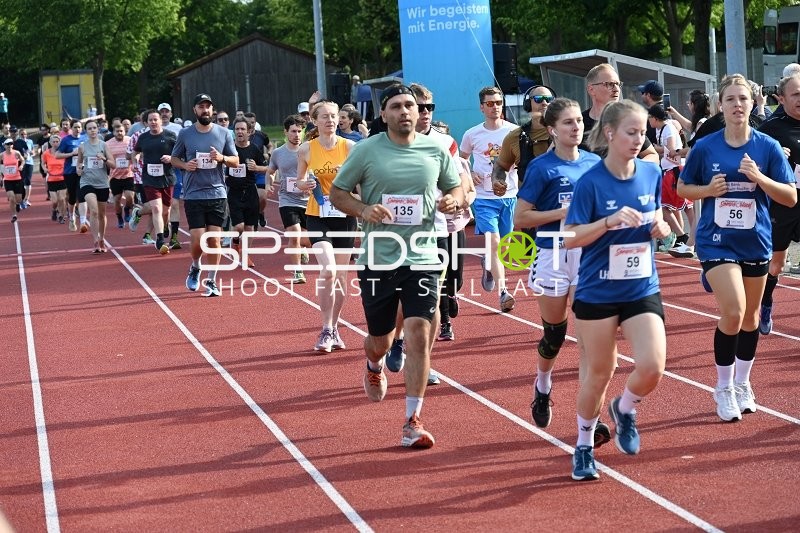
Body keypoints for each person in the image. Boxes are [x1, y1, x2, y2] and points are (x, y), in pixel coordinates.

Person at [329, 83, 464, 448]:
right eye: (397, 106)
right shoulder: (366, 150)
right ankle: (373, 365)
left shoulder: (435, 150)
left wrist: (453, 200)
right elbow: (337, 193)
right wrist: (363, 209)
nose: (406, 111)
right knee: (381, 340)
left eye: (410, 105)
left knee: (419, 331)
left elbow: (457, 188)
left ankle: (412, 420)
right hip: (379, 258)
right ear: (384, 114)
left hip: (422, 256)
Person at [677, 74, 796, 422]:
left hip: (755, 239)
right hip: (716, 240)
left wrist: (759, 178)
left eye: (743, 99)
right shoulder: (706, 147)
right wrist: (707, 191)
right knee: (733, 311)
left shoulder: (767, 146)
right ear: (721, 105)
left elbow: (790, 197)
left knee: (751, 317)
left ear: (753, 103)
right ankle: (723, 387)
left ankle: (743, 383)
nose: (737, 105)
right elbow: (683, 188)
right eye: (730, 99)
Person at [564, 100, 671, 481]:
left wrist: (661, 227)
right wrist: (607, 222)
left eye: (642, 132)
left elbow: (657, 214)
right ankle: (583, 445)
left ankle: (624, 408)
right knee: (599, 372)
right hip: (598, 290)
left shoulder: (651, 172)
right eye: (631, 132)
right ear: (610, 133)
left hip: (641, 285)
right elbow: (570, 237)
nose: (638, 139)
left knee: (653, 366)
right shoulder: (591, 182)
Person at [514, 97, 603, 429]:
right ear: (552, 129)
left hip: (587, 254)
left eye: (578, 120)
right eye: (568, 122)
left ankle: (590, 418)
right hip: (552, 253)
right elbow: (521, 218)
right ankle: (542, 385)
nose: (576, 127)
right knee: (555, 335)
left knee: (589, 338)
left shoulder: (595, 163)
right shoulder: (541, 168)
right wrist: (562, 212)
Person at [295, 100, 357, 352]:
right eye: (325, 116)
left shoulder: (349, 147)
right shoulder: (306, 149)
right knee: (328, 270)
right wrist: (305, 185)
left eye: (334, 116)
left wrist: (347, 176)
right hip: (317, 214)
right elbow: (299, 181)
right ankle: (325, 328)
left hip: (345, 216)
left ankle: (335, 327)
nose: (331, 120)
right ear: (314, 120)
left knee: (341, 275)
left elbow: (360, 181)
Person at [171, 93, 239, 297]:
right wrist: (185, 165)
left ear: (212, 109)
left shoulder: (224, 133)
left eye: (208, 106)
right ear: (195, 110)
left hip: (217, 193)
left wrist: (221, 158)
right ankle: (195, 265)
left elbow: (235, 161)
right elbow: (174, 159)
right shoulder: (185, 134)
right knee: (197, 240)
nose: (205, 110)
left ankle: (212, 280)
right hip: (194, 193)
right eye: (201, 107)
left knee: (214, 241)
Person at [459, 86, 518, 312]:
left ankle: (488, 264)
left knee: (504, 247)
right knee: (493, 242)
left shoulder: (514, 131)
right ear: (481, 107)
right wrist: (469, 173)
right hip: (484, 198)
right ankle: (504, 292)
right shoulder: (472, 134)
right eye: (490, 103)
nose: (495, 107)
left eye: (499, 103)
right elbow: (461, 159)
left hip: (509, 195)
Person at [758, 72, 800, 333]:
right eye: (796, 94)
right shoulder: (771, 128)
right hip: (783, 204)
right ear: (781, 99)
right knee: (776, 264)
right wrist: (774, 158)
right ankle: (765, 301)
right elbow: (751, 159)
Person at [580, 64, 660, 164]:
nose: (616, 89)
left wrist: (632, 168)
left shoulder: (627, 119)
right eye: (609, 84)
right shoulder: (578, 123)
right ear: (591, 89)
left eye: (618, 84)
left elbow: (652, 155)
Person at [268, 114, 311, 284]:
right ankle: (298, 271)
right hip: (287, 200)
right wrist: (269, 183)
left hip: (308, 201)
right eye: (293, 131)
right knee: (294, 234)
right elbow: (270, 171)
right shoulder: (278, 153)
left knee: (307, 240)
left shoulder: (310, 149)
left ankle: (302, 248)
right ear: (285, 132)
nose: (297, 135)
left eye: (299, 131)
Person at [648, 104, 693, 256]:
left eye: (649, 118)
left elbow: (671, 150)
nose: (648, 121)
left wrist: (656, 150)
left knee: (676, 206)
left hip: (675, 170)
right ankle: (683, 237)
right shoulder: (662, 128)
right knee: (677, 207)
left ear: (655, 118)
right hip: (672, 170)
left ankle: (685, 236)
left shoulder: (668, 127)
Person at [131, 109, 178, 254]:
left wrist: (171, 158)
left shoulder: (171, 136)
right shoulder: (143, 138)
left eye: (155, 119)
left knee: (166, 210)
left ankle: (165, 224)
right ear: (146, 123)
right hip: (149, 178)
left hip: (167, 177)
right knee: (156, 208)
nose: (153, 122)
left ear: (160, 121)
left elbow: (180, 153)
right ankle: (159, 240)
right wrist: (135, 161)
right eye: (150, 120)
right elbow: (135, 151)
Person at [228, 117, 267, 267]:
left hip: (250, 191)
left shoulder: (254, 149)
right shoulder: (229, 149)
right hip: (234, 191)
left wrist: (256, 168)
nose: (239, 132)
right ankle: (235, 241)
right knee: (239, 226)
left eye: (242, 129)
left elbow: (267, 168)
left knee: (250, 227)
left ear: (249, 132)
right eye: (237, 129)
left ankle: (246, 255)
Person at [76, 119, 116, 252]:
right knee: (94, 210)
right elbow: (79, 163)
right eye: (89, 128)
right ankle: (95, 241)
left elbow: (113, 164)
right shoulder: (82, 147)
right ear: (86, 131)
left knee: (102, 214)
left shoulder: (104, 145)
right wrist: (78, 170)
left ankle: (102, 238)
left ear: (98, 129)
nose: (92, 130)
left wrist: (104, 159)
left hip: (102, 183)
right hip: (87, 182)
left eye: (94, 128)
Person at [55, 120, 84, 231]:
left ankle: (83, 222)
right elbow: (57, 155)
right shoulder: (66, 140)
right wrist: (72, 154)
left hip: (83, 172)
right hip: (70, 172)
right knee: (72, 197)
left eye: (79, 127)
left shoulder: (85, 139)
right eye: (75, 127)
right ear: (71, 128)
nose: (77, 129)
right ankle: (71, 217)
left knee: (82, 196)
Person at [106, 123, 134, 228]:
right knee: (117, 200)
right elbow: (106, 158)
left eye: (121, 131)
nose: (119, 133)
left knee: (130, 197)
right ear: (113, 132)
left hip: (129, 174)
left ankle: (127, 209)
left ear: (124, 131)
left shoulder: (130, 141)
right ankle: (119, 218)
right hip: (115, 176)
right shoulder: (108, 144)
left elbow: (136, 153)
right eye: (117, 131)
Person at [41, 135, 67, 223]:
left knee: (62, 199)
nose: (55, 143)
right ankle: (54, 210)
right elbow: (43, 163)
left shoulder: (63, 153)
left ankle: (62, 216)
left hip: (62, 178)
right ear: (50, 143)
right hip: (51, 179)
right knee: (55, 201)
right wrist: (45, 169)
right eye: (53, 142)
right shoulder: (46, 153)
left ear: (60, 142)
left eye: (57, 142)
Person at [2, 138, 24, 222]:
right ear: (4, 146)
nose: (9, 145)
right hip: (7, 179)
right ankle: (14, 215)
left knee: (19, 199)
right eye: (8, 144)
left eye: (11, 144)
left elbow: (23, 160)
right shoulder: (2, 155)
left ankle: (18, 204)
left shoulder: (16, 153)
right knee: (11, 198)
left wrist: (21, 165)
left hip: (17, 178)